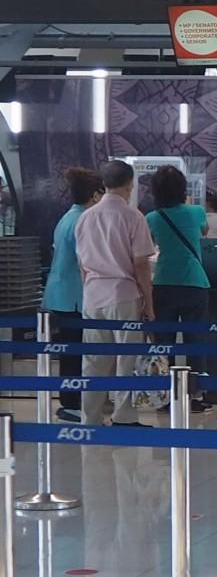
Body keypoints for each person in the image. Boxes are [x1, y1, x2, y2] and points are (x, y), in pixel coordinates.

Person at [74, 160, 155, 428]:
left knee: (93, 361)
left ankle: (90, 418)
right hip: (124, 294)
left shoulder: (85, 217)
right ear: (130, 184)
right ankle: (123, 416)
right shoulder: (133, 216)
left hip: (93, 295)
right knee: (126, 359)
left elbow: (82, 264)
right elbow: (141, 264)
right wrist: (149, 303)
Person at [145, 165, 212, 414]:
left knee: (165, 343)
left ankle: (166, 395)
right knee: (196, 342)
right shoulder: (196, 212)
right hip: (195, 283)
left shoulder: (152, 217)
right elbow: (205, 232)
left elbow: (149, 245)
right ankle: (197, 395)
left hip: (163, 284)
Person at [43, 167, 103, 423]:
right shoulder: (83, 220)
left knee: (70, 350)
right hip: (73, 296)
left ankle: (72, 399)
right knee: (74, 351)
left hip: (61, 293)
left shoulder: (69, 216)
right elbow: (86, 261)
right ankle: (71, 402)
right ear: (94, 195)